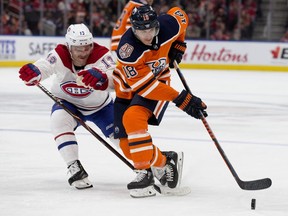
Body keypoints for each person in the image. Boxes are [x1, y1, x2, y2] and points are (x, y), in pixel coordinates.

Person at [112, 5, 207, 197]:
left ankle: (143, 175)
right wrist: (182, 99)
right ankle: (166, 162)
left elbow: (181, 14)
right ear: (133, 29)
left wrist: (179, 44)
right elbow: (144, 87)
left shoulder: (168, 25)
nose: (147, 36)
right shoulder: (127, 49)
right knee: (127, 147)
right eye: (141, 31)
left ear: (157, 25)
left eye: (151, 30)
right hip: (128, 89)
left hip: (159, 83)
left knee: (133, 118)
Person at [18, 23, 117, 189]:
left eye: (87, 47)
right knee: (58, 120)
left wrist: (103, 77)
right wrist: (36, 72)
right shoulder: (60, 54)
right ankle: (74, 167)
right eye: (78, 49)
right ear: (69, 47)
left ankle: (150, 165)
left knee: (122, 139)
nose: (83, 53)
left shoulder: (101, 55)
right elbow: (45, 65)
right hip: (68, 103)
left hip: (101, 107)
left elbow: (115, 77)